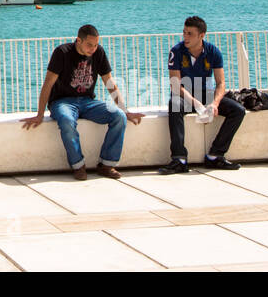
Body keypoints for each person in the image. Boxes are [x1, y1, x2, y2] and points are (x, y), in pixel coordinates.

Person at [23, 24, 144, 179]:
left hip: (87, 101)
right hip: (62, 102)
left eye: (95, 45)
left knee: (119, 117)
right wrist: (40, 114)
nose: (93, 49)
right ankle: (78, 166)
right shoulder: (62, 52)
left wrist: (126, 111)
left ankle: (106, 165)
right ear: (78, 40)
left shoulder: (98, 52)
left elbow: (109, 82)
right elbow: (48, 83)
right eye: (89, 45)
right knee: (67, 120)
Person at [159, 16, 246, 173]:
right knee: (174, 105)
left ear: (202, 35)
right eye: (184, 32)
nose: (185, 37)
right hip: (184, 95)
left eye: (190, 34)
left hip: (206, 94)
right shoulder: (176, 51)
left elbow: (220, 83)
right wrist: (196, 104)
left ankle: (215, 155)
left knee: (238, 110)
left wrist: (215, 104)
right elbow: (175, 84)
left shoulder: (213, 52)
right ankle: (179, 159)